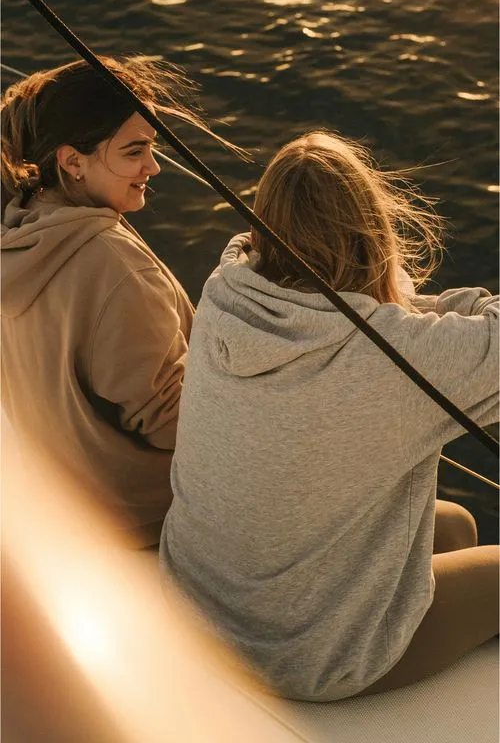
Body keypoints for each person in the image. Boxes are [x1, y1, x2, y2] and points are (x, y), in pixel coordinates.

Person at [160, 129, 499, 699]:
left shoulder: (225, 293)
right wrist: (444, 310)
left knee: (455, 526)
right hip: (303, 658)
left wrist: (411, 315)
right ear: (372, 231)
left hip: (190, 608)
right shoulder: (397, 355)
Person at [1, 56, 216, 546]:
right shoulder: (115, 267)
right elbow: (172, 423)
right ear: (72, 161)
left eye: (152, 147)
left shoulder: (17, 236)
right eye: (134, 151)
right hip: (151, 524)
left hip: (70, 518)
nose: (152, 167)